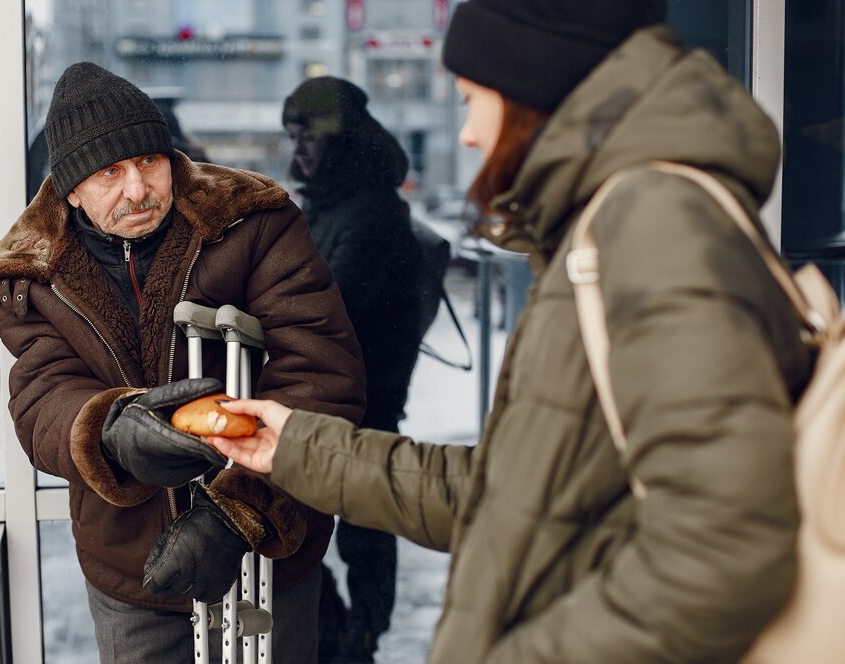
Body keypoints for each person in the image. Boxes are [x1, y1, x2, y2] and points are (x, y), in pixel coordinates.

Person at [207, 1, 816, 662]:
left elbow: (722, 552)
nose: (467, 133)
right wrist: (295, 447)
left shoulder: (650, 227)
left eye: (473, 99)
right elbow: (510, 492)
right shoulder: (610, 229)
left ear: (533, 89)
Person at [0, 62, 365, 664]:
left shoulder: (253, 221)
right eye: (109, 172)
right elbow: (42, 395)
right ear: (71, 188)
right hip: (131, 566)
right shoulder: (31, 276)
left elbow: (321, 374)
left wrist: (240, 513)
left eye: (149, 161)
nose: (138, 188)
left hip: (267, 547)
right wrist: (108, 428)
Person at [282, 77, 426, 662]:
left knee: (363, 526)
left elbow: (324, 309)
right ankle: (348, 634)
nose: (298, 152)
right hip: (344, 396)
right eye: (292, 138)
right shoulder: (335, 203)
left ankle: (358, 637)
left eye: (306, 139)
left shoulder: (367, 214)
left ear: (337, 142)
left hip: (367, 398)